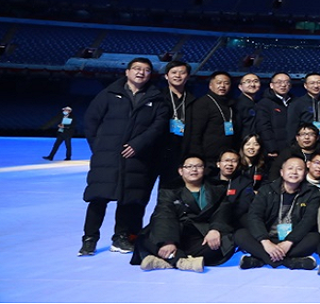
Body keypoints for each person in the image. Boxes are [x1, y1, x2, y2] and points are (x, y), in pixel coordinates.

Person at [80, 58, 169, 256]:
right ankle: (89, 239)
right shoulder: (109, 94)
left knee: (128, 199)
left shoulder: (156, 98)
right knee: (98, 198)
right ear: (127, 72)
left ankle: (120, 237)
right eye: (137, 68)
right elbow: (91, 120)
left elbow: (158, 126)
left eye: (146, 70)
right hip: (107, 158)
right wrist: (100, 147)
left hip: (137, 158)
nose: (141, 72)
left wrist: (138, 145)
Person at [135, 155, 235, 272]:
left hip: (202, 232)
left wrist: (215, 229)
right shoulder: (169, 190)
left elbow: (222, 211)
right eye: (189, 167)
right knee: (145, 238)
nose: (194, 170)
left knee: (221, 245)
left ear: (204, 169)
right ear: (181, 171)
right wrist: (168, 241)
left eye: (198, 166)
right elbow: (164, 214)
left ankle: (167, 260)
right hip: (176, 230)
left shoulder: (218, 188)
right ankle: (182, 261)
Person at [235, 156, 320, 270]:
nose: (294, 172)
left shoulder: (313, 193)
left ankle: (261, 259)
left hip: (294, 241)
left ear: (305, 173)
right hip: (268, 237)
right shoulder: (266, 190)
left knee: (315, 238)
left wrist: (289, 241)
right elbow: (254, 216)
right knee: (240, 235)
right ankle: (289, 262)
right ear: (282, 172)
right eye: (290, 168)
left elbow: (308, 220)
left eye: (299, 169)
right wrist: (265, 242)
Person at [186, 71, 239, 164]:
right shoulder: (202, 103)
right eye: (219, 83)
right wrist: (198, 157)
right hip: (207, 157)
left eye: (226, 83)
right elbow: (195, 133)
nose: (222, 86)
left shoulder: (231, 104)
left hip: (226, 156)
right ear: (210, 85)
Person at [157, 60, 194, 190]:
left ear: (188, 76)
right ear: (166, 76)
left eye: (182, 72)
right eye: (174, 72)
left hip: (181, 151)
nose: (178, 75)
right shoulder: (157, 97)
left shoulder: (193, 100)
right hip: (158, 150)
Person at [255, 72, 293, 159]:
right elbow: (263, 128)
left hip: (292, 149)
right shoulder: (264, 103)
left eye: (286, 82)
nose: (283, 85)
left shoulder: (294, 102)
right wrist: (272, 148)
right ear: (271, 85)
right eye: (279, 82)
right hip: (275, 151)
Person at [212, 149, 254, 224]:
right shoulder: (210, 182)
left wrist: (225, 217)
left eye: (234, 161)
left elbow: (244, 205)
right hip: (211, 219)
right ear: (218, 164)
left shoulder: (246, 183)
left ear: (238, 165)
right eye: (226, 160)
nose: (230, 164)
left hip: (234, 220)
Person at [286, 73, 320, 148]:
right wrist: (292, 145)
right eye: (312, 83)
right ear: (305, 85)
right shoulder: (297, 103)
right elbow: (291, 126)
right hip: (303, 144)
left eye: (319, 82)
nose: (316, 86)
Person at [235, 73, 262, 141]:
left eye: (256, 81)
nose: (252, 84)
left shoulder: (259, 103)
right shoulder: (238, 105)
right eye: (248, 82)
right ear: (240, 87)